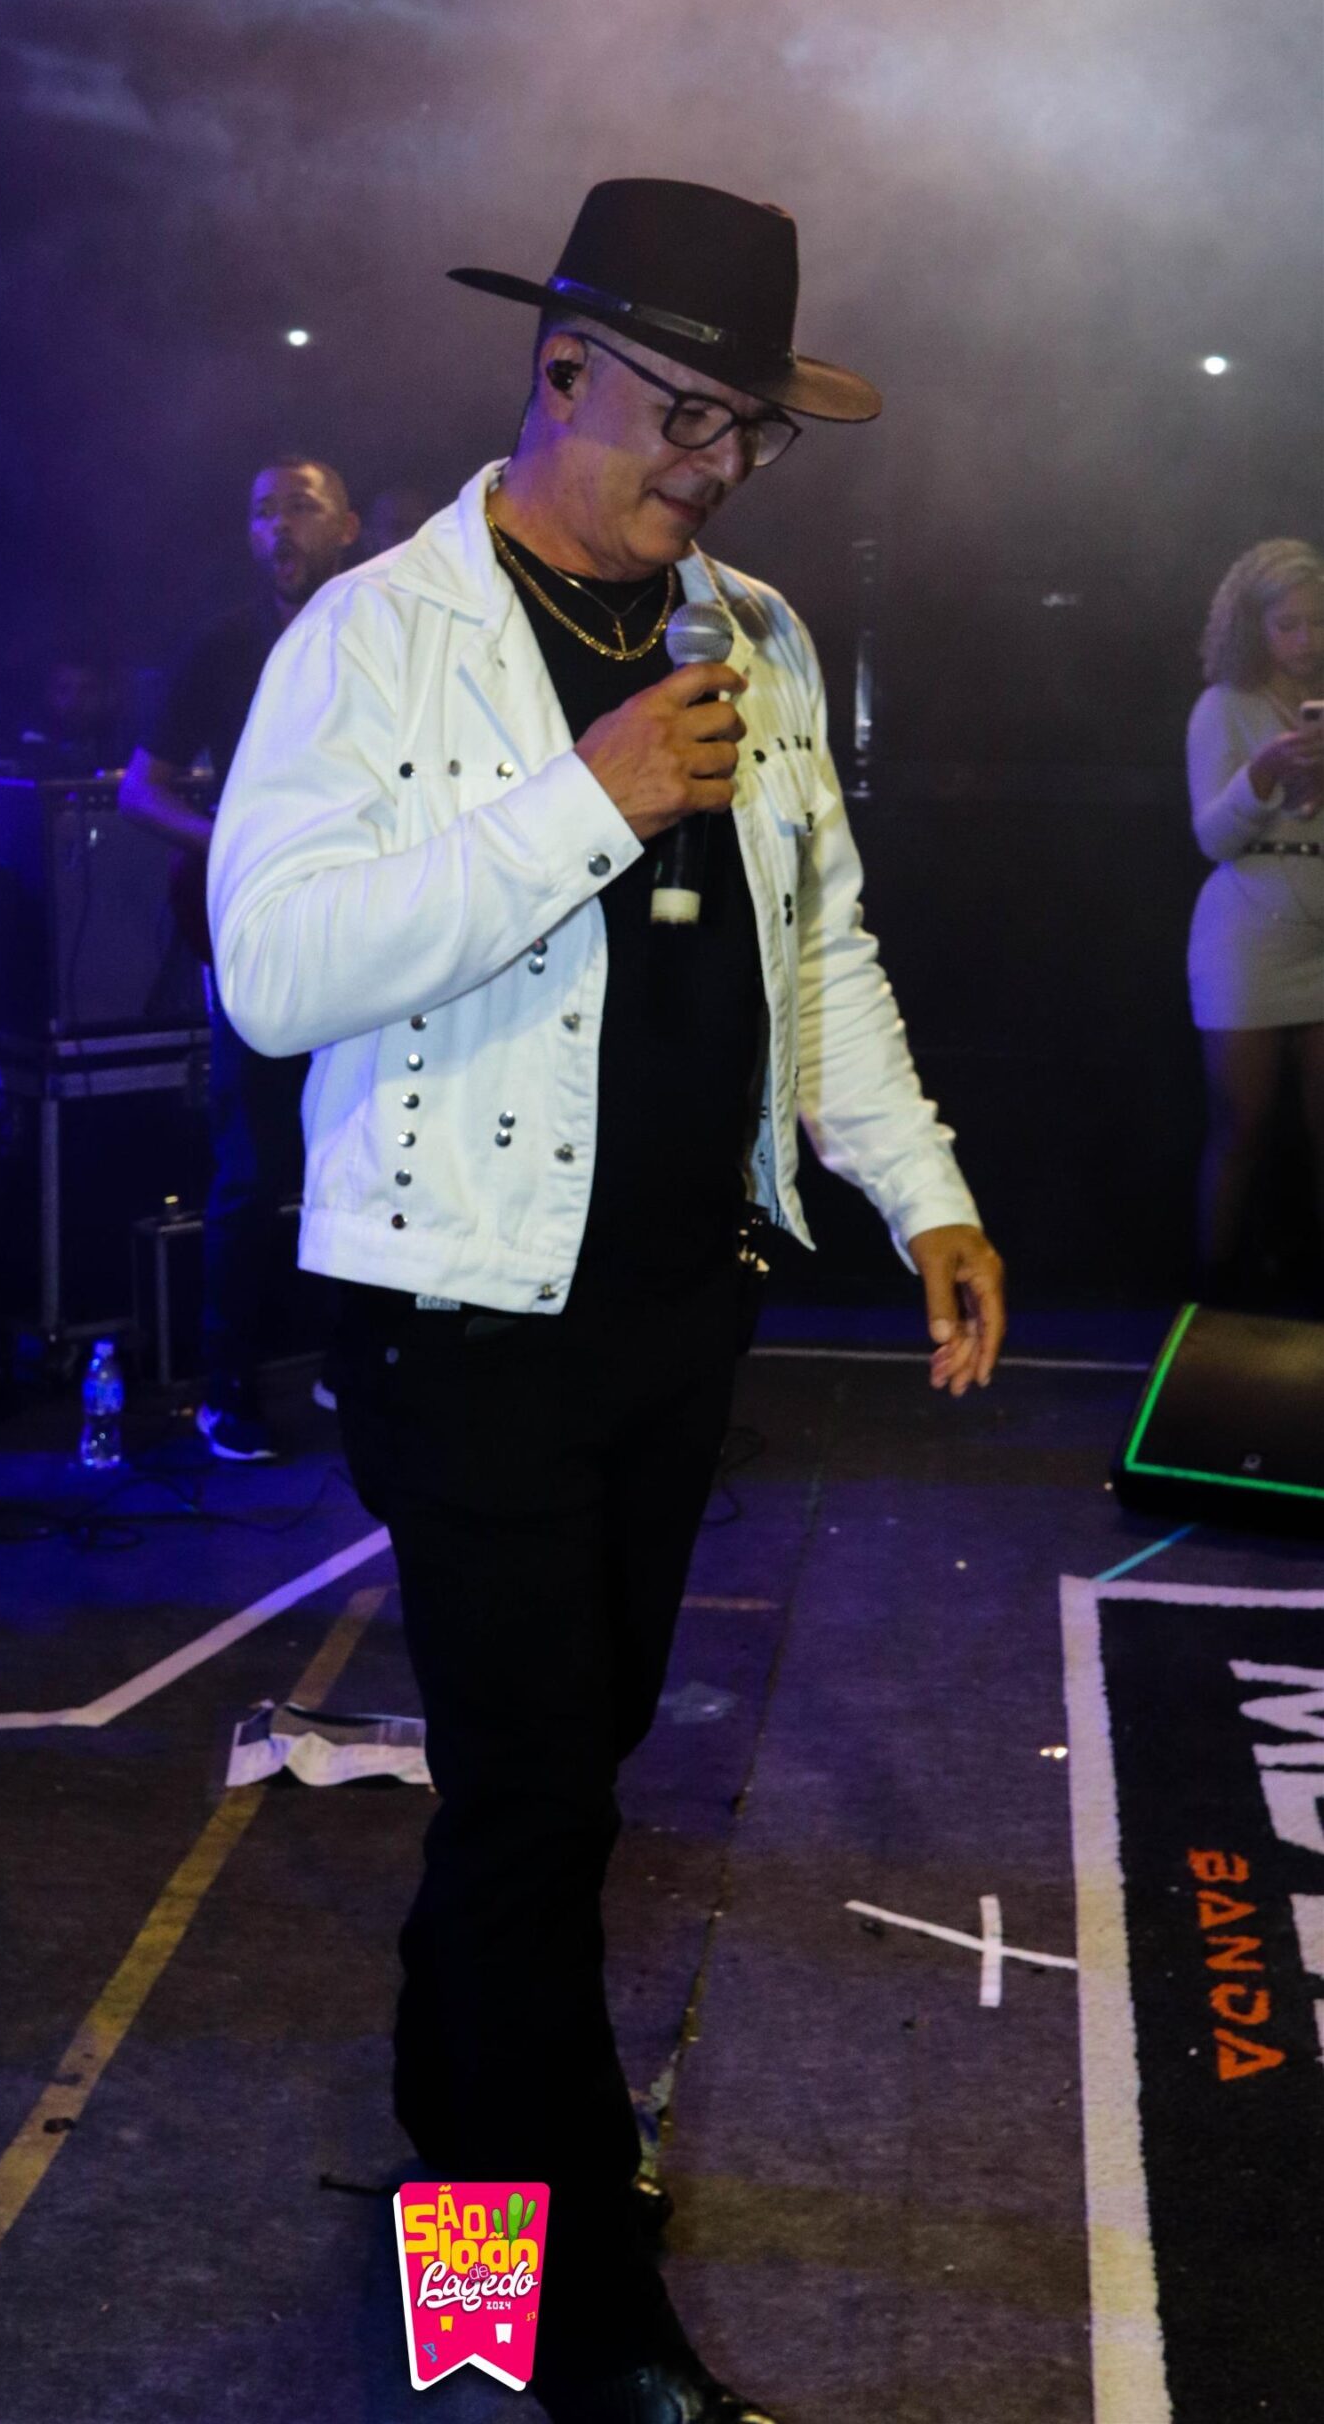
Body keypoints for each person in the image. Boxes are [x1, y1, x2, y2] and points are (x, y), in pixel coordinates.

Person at [210, 180, 1005, 2424]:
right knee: (537, 1798)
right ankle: (559, 2306)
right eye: (683, 414)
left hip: (678, 1303)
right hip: (457, 1313)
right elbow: (271, 972)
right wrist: (584, 798)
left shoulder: (751, 628)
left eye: (751, 429)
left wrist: (923, 1192)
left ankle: (457, 2168)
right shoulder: (375, 634)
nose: (716, 467)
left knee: (552, 1778)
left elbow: (816, 946)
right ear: (555, 371)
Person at [120, 456, 360, 1458]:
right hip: (260, 933)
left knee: (362, 1149)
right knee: (253, 1166)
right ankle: (229, 1389)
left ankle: (355, 1364)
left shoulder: (383, 629)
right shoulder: (221, 645)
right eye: (263, 512)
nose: (279, 527)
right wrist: (237, 848)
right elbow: (141, 790)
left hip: (365, 926)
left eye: (300, 506)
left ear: (346, 526)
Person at [1186, 538, 1324, 1302]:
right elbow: (1212, 837)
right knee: (1242, 1126)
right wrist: (1263, 772)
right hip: (1246, 935)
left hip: (1320, 932)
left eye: (1317, 622)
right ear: (1255, 627)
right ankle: (1212, 1300)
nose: (1305, 640)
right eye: (1287, 625)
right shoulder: (1222, 706)